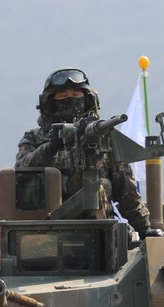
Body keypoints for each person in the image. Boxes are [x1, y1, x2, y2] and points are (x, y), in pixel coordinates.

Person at [16, 68, 152, 236]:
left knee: (102, 185)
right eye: (63, 96)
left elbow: (127, 192)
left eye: (76, 94)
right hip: (48, 236)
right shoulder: (34, 138)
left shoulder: (103, 138)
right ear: (50, 102)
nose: (70, 99)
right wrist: (50, 147)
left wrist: (145, 229)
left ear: (88, 99)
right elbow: (22, 171)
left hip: (101, 236)